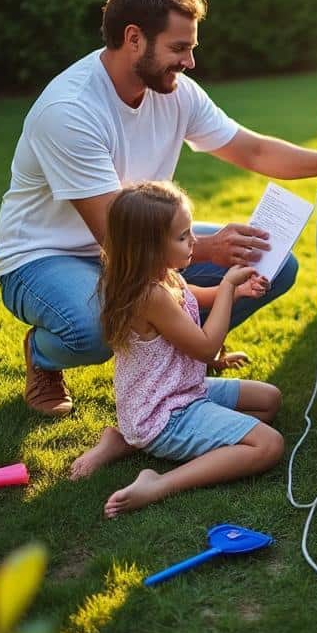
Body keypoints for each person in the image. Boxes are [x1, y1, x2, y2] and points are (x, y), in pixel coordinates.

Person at [0, 0, 317, 416]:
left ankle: (187, 352)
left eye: (192, 48)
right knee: (93, 327)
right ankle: (44, 355)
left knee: (271, 264)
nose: (191, 62)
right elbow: (116, 237)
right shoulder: (70, 111)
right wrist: (206, 248)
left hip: (138, 237)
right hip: (46, 256)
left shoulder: (175, 92)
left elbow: (252, 149)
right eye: (179, 49)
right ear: (134, 38)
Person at [68, 181, 285, 518]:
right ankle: (159, 483)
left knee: (268, 400)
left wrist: (237, 292)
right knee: (269, 445)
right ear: (149, 246)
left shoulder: (163, 276)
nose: (194, 241)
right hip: (166, 414)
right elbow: (207, 349)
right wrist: (227, 285)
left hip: (182, 391)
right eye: (183, 236)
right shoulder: (148, 295)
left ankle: (125, 439)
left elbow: (192, 295)